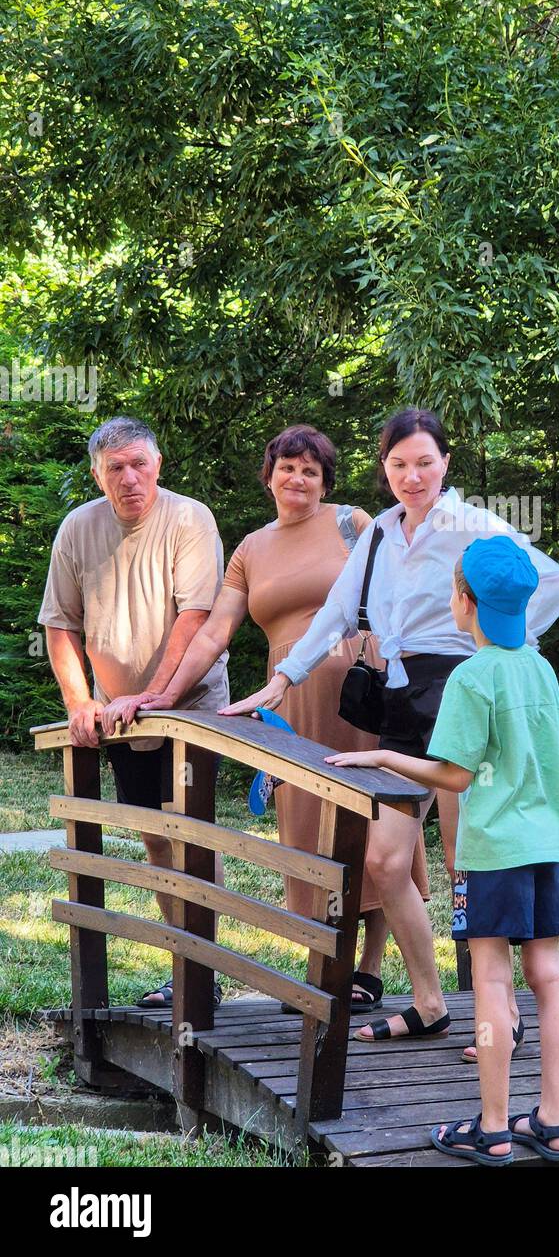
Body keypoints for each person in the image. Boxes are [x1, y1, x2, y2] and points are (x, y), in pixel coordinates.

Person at [222, 407, 559, 1049]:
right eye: (398, 464)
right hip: (403, 698)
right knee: (386, 862)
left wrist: (499, 651)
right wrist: (283, 679)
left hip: (464, 691)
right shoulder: (380, 533)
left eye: (424, 462)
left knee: (472, 860)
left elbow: (553, 582)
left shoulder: (474, 525)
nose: (412, 476)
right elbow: (334, 612)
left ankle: (506, 1018)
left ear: (445, 463)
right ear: (384, 469)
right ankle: (430, 1002)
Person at [129, 424, 430, 1014]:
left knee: (375, 817)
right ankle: (325, 964)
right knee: (308, 823)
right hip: (289, 700)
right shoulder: (250, 548)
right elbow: (215, 630)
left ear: (325, 482)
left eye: (311, 471)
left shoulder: (354, 523)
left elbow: (404, 595)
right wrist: (165, 691)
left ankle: (367, 969)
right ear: (269, 475)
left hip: (360, 689)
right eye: (288, 467)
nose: (298, 478)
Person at [326, 534, 559, 1165]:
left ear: (463, 601)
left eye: (453, 588)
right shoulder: (540, 667)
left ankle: (493, 1126)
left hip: (496, 849)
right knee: (548, 978)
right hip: (551, 842)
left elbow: (454, 774)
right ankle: (552, 1122)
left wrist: (384, 754)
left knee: (493, 979)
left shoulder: (472, 676)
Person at [37, 416, 230, 1007]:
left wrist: (157, 694)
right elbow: (60, 624)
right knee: (153, 838)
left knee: (191, 835)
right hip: (119, 717)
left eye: (139, 464)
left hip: (189, 705)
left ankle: (203, 974)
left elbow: (195, 618)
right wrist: (79, 702)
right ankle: (184, 967)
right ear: (97, 475)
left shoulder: (189, 518)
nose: (129, 478)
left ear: (158, 465)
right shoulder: (78, 529)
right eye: (115, 468)